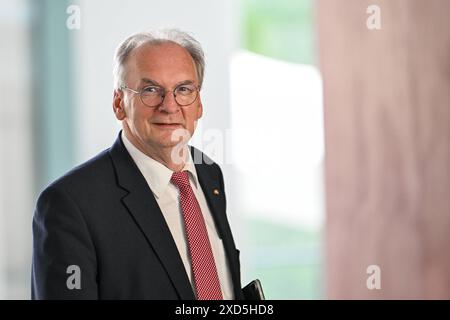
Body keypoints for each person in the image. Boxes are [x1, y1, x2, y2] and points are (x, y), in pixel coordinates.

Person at [31, 29, 244, 300]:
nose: (169, 105)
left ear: (198, 103)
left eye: (184, 89)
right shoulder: (70, 204)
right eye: (150, 90)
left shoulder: (209, 174)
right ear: (119, 103)